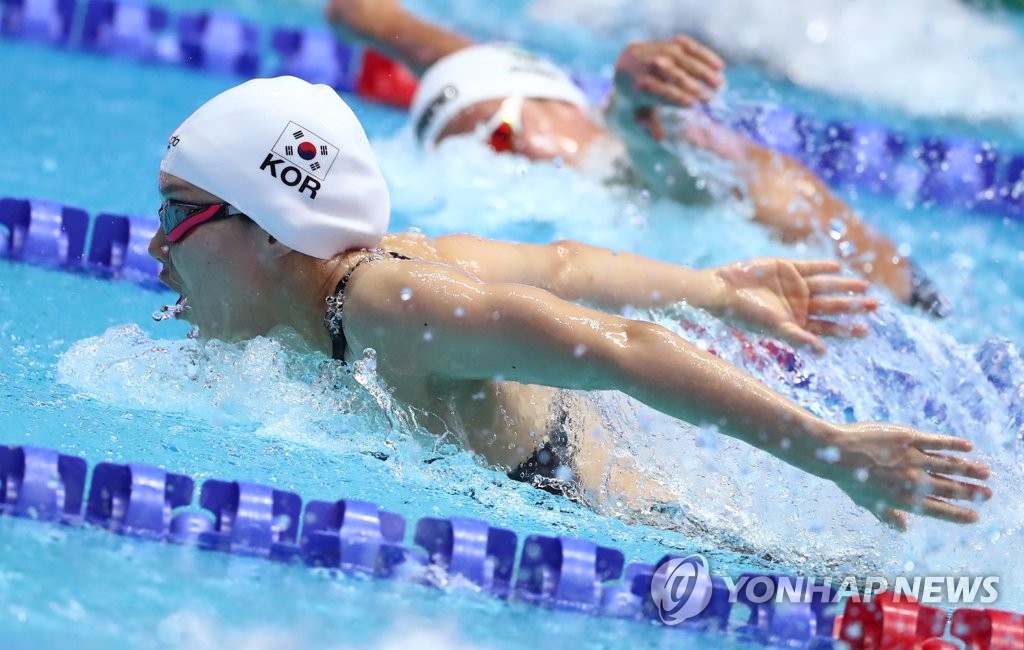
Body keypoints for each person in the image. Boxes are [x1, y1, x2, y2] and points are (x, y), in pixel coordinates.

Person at [150, 76, 990, 534]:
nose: (158, 248)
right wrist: (717, 291)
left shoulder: (395, 304)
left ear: (272, 230)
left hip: (663, 525)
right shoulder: (392, 269)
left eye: (178, 216)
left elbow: (624, 347)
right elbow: (564, 263)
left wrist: (831, 449)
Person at [325, 0, 951, 317]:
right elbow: (359, 13)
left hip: (896, 303)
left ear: (574, 106)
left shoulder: (671, 163)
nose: (508, 146)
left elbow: (659, 166)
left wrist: (632, 101)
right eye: (472, 147)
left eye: (504, 128)